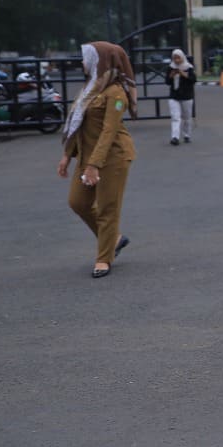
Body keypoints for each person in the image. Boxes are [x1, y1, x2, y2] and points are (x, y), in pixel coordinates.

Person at [57, 42, 138, 279]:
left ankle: (104, 258)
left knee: (106, 208)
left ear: (101, 61)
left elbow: (108, 131)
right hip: (87, 155)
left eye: (87, 58)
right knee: (78, 202)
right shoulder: (91, 88)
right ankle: (114, 239)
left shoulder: (116, 93)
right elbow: (78, 125)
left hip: (113, 157)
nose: (83, 63)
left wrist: (94, 166)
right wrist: (67, 155)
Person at [165, 48, 197, 145]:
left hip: (187, 96)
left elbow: (193, 80)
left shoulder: (189, 68)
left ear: (182, 57)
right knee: (175, 117)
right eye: (174, 58)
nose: (176, 60)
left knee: (186, 117)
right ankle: (175, 137)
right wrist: (171, 75)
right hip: (174, 96)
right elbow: (167, 82)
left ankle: (186, 134)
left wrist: (183, 74)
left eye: (178, 58)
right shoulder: (171, 67)